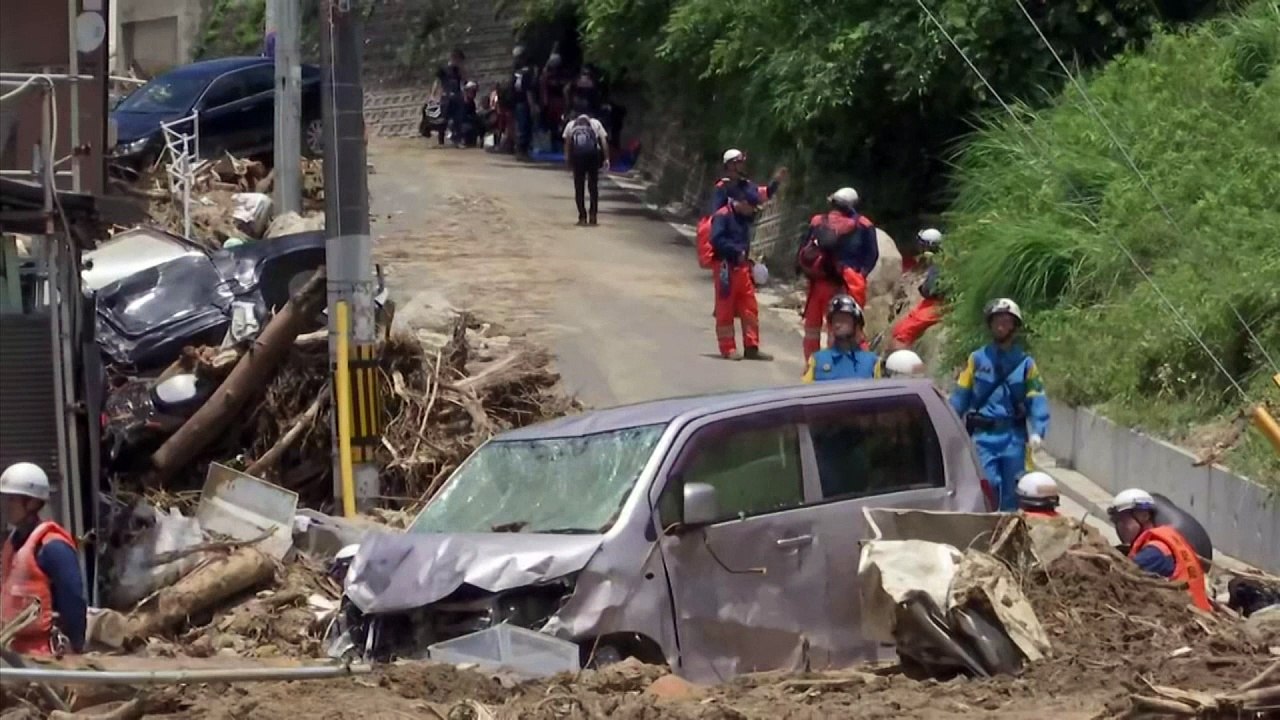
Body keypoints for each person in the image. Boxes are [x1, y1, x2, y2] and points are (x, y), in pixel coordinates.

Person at [949, 298, 1050, 511]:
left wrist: (1038, 431)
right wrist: (949, 425)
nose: (1001, 325)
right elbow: (961, 396)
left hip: (1013, 437)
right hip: (983, 438)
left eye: (1006, 320)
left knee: (1014, 493)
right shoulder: (976, 360)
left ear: (1014, 325)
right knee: (988, 487)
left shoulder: (1025, 363)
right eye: (996, 321)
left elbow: (1036, 396)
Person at [0, 462, 86, 655]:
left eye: (13, 499)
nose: (7, 505)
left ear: (32, 503)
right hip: (13, 649)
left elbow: (73, 600)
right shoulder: (14, 542)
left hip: (44, 652)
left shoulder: (53, 547)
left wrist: (77, 647)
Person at [796, 187, 878, 361]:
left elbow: (803, 248)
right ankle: (837, 367)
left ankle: (811, 367)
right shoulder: (864, 224)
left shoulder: (818, 221)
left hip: (817, 283)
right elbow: (872, 255)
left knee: (811, 329)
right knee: (843, 327)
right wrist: (861, 274)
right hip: (846, 284)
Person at [1108, 489, 1212, 612]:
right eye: (1117, 521)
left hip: (1188, 616)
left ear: (1144, 516)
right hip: (1196, 611)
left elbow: (1120, 577)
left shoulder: (1155, 552)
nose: (1120, 527)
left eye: (1124, 520)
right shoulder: (1165, 541)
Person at [696, 149, 786, 270]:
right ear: (729, 165)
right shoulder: (723, 187)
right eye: (738, 162)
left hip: (742, 236)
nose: (742, 165)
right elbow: (717, 216)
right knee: (728, 282)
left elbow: (762, 195)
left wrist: (776, 182)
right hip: (729, 241)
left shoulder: (746, 185)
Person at [710, 187, 771, 360]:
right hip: (725, 267)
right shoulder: (722, 215)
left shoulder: (743, 217)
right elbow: (716, 240)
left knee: (749, 307)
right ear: (743, 203)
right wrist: (735, 250)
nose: (753, 210)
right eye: (751, 206)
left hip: (742, 267)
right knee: (725, 308)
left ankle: (751, 346)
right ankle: (728, 348)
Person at [802, 295, 881, 382]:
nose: (837, 325)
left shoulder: (872, 362)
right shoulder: (817, 360)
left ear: (857, 325)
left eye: (843, 319)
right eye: (835, 320)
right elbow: (804, 391)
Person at [890, 229, 946, 351]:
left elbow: (932, 290)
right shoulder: (940, 261)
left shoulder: (940, 264)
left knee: (902, 333)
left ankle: (901, 364)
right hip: (933, 302)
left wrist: (923, 289)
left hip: (938, 304)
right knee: (902, 325)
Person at [564, 113, 609, 226]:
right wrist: (606, 158)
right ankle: (593, 215)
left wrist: (568, 160)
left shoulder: (570, 125)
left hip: (578, 157)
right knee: (593, 186)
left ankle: (582, 217)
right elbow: (603, 141)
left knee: (579, 187)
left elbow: (568, 144)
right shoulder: (596, 123)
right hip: (593, 156)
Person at [510, 47, 539, 160]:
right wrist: (533, 106)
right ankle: (522, 151)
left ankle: (521, 151)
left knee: (521, 126)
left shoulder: (516, 71)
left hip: (517, 102)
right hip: (524, 102)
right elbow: (528, 89)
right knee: (525, 127)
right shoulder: (528, 71)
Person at [434, 48, 466, 147]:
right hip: (446, 97)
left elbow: (463, 81)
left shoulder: (458, 71)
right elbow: (437, 81)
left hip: (457, 96)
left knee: (458, 120)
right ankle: (441, 141)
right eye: (458, 60)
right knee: (443, 119)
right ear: (454, 58)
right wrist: (433, 94)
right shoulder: (443, 69)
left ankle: (458, 140)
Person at [540, 53, 570, 150]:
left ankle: (560, 143)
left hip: (560, 102)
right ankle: (554, 144)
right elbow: (544, 89)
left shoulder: (563, 74)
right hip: (551, 102)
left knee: (561, 123)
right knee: (552, 124)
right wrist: (545, 103)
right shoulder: (546, 75)